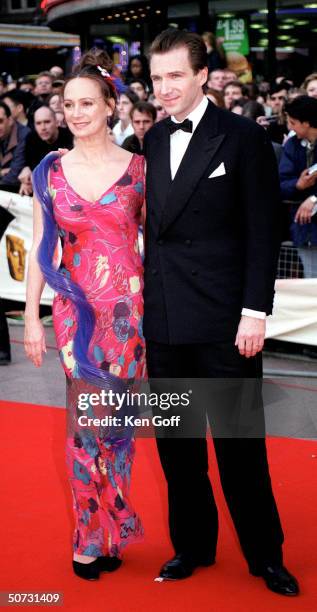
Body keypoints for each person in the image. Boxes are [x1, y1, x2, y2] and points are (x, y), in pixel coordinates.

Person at [143, 28, 299, 596]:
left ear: (203, 74)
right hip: (164, 321)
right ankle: (192, 545)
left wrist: (256, 311)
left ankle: (265, 555)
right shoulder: (153, 141)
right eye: (157, 78)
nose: (163, 88)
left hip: (226, 322)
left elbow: (264, 231)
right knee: (178, 450)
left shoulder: (241, 138)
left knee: (240, 449)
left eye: (175, 76)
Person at [24, 49, 146, 580]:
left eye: (86, 103)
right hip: (76, 315)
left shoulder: (140, 170)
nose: (75, 113)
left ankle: (113, 528)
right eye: (68, 104)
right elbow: (39, 250)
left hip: (129, 317)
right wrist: (32, 318)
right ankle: (87, 536)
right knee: (83, 427)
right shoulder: (51, 171)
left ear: (109, 106)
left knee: (118, 426)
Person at [280, 96, 317, 277]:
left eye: (293, 122)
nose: (291, 127)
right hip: (305, 227)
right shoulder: (292, 146)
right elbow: (280, 183)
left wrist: (313, 198)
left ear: (307, 122)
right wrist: (298, 185)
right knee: (311, 278)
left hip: (309, 216)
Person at [19, 106, 73, 195]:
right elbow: (29, 166)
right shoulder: (31, 139)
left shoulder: (70, 138)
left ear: (56, 122)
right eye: (38, 123)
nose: (43, 127)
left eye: (47, 122)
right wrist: (26, 177)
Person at [0, 101, 30, 192]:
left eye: (0, 121)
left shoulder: (24, 135)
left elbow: (14, 174)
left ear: (10, 120)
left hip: (18, 191)